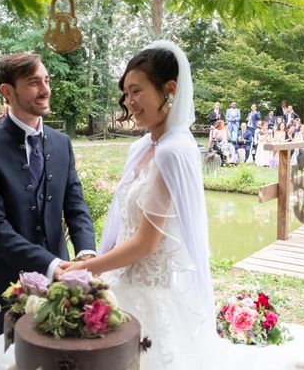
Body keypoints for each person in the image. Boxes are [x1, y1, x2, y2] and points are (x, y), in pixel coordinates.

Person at [63, 41, 218, 368]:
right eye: (125, 93)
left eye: (136, 91)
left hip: (147, 296)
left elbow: (146, 243)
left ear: (170, 89)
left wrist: (82, 269)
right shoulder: (143, 147)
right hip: (119, 283)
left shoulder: (173, 151)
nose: (129, 102)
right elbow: (122, 224)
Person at [0, 53, 96, 335]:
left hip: (61, 288)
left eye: (46, 80)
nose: (45, 89)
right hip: (3, 288)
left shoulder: (62, 143)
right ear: (7, 91)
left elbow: (75, 203)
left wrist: (86, 253)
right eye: (34, 82)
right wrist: (51, 265)